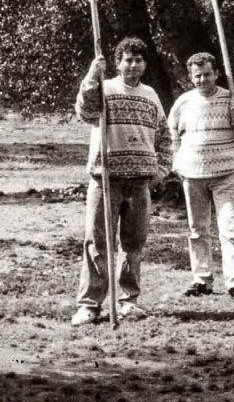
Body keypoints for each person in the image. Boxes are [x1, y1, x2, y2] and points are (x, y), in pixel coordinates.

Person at [71, 36, 172, 326]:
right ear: (118, 63)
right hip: (106, 178)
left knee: (134, 243)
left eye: (139, 60)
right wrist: (92, 74)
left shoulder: (151, 95)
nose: (133, 65)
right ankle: (90, 305)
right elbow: (86, 112)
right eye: (128, 60)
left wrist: (161, 169)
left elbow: (165, 136)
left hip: (140, 181)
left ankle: (128, 301)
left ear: (145, 64)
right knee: (97, 242)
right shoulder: (105, 87)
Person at [168, 52, 234, 306]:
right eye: (197, 76)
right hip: (193, 174)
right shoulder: (183, 102)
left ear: (216, 73)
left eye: (207, 74)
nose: (203, 80)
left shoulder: (231, 99)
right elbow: (171, 133)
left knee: (230, 228)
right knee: (197, 230)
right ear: (190, 77)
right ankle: (202, 279)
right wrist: (178, 162)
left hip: (225, 174)